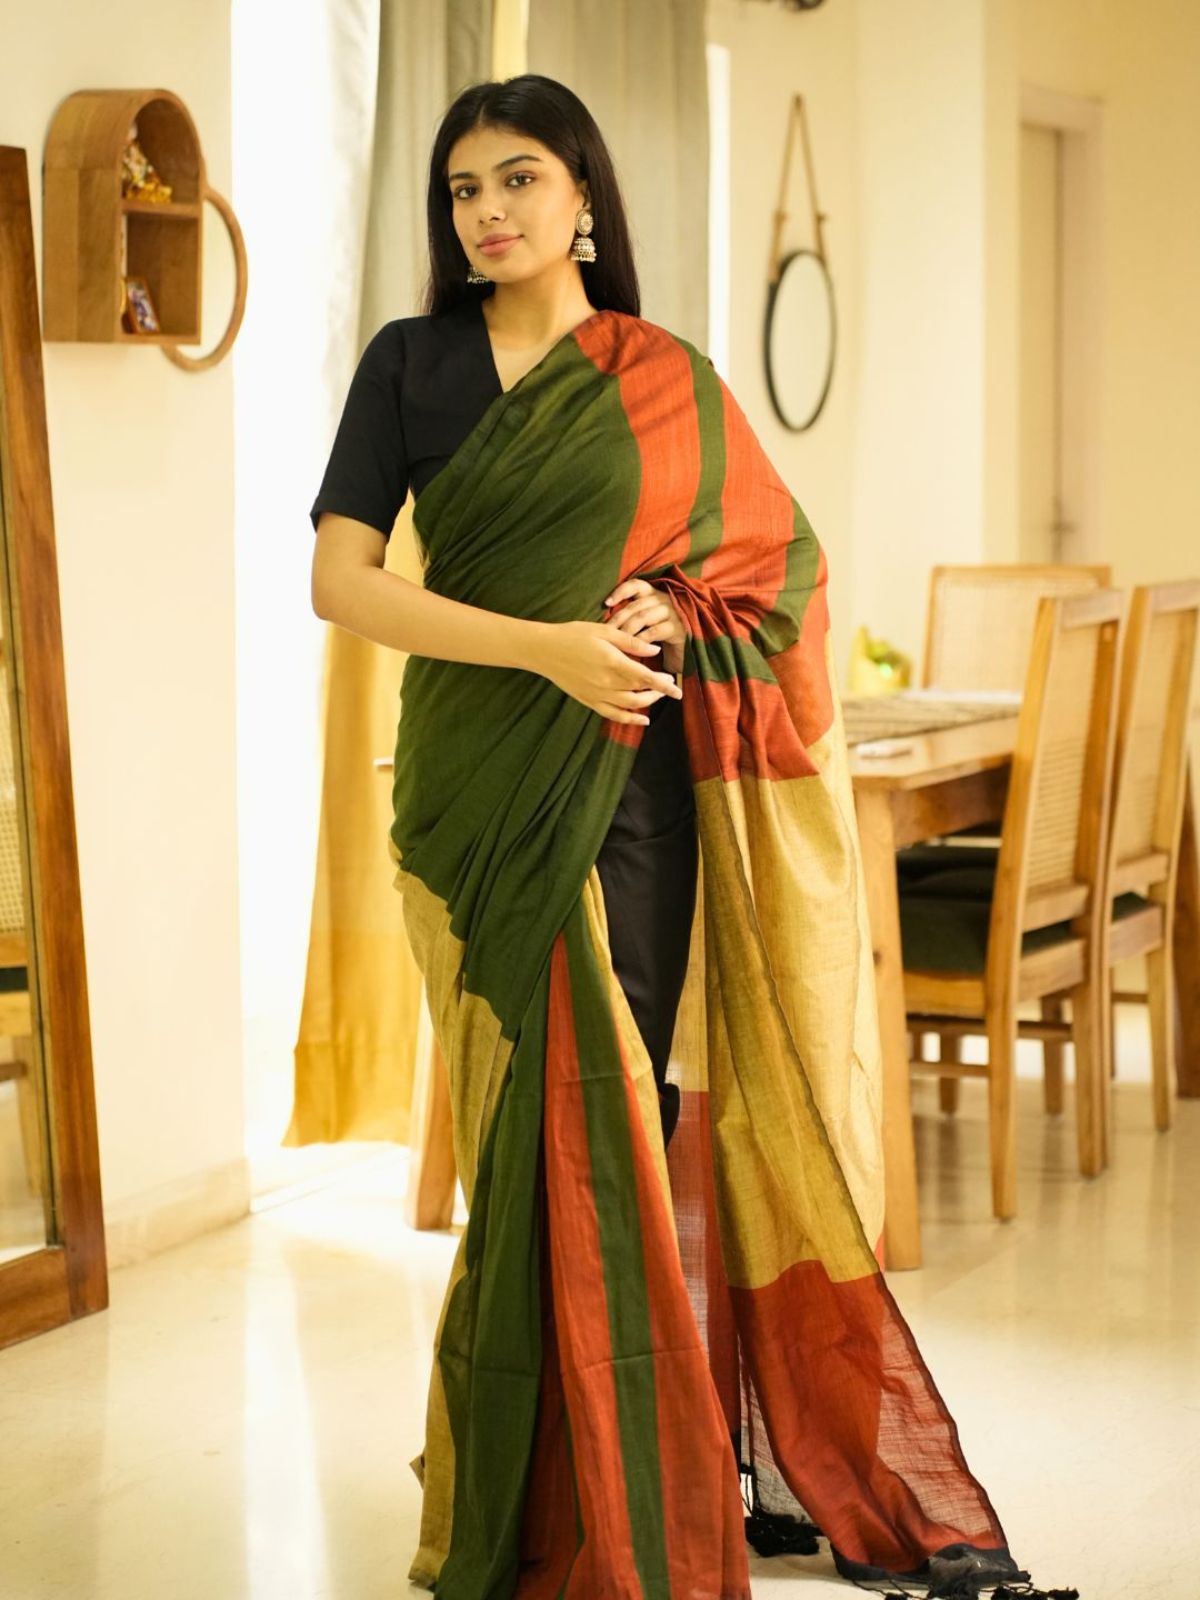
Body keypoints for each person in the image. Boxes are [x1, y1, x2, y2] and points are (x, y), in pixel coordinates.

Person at [309, 72, 1077, 1600]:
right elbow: (344, 585)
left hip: (634, 792)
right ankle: (548, 1466)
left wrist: (673, 605)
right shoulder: (410, 365)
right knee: (521, 1126)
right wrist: (550, 650)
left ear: (584, 198)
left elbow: (783, 566)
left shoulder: (664, 374)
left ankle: (647, 1451)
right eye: (464, 189)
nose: (487, 211)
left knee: (629, 1107)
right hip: (474, 796)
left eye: (518, 180)